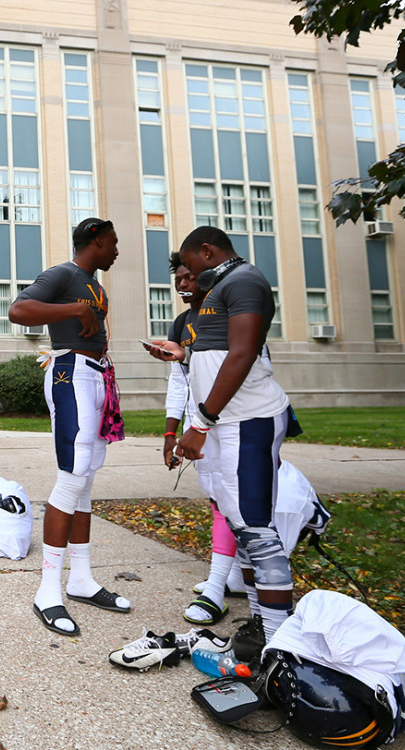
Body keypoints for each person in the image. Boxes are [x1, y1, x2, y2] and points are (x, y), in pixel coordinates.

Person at [147, 226, 294, 649]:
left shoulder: (246, 279)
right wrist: (183, 354)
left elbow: (244, 353)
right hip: (224, 424)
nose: (187, 277)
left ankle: (282, 645)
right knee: (241, 527)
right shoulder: (222, 289)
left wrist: (201, 422)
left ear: (208, 252)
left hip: (246, 421)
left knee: (257, 531)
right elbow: (216, 354)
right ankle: (264, 627)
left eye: (190, 266)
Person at [8, 217, 127, 637]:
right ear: (94, 240)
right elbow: (18, 310)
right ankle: (47, 590)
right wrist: (75, 308)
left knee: (86, 480)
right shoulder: (64, 273)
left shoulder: (94, 283)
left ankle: (81, 579)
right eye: (112, 242)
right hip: (69, 373)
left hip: (94, 374)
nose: (117, 249)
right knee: (71, 478)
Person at [156, 253, 245, 625]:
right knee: (216, 496)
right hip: (200, 424)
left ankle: (216, 588)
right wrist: (170, 430)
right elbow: (180, 382)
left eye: (190, 277)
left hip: (234, 420)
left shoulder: (228, 311)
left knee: (234, 497)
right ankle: (232, 574)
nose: (183, 284)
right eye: (179, 278)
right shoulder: (182, 322)